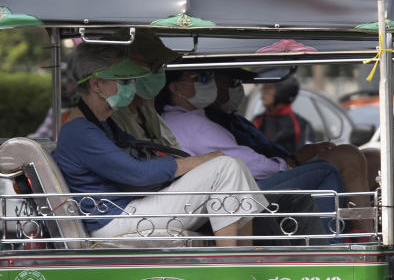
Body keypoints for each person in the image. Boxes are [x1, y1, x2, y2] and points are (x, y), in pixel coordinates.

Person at [52, 44, 266, 247]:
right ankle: (230, 261)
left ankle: (244, 254)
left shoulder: (101, 123)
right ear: (97, 85)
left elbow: (143, 155)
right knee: (225, 167)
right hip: (114, 221)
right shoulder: (79, 132)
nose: (132, 87)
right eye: (125, 82)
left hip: (127, 210)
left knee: (233, 164)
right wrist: (201, 160)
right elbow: (138, 173)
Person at [158, 69, 348, 233]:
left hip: (223, 192)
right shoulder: (193, 124)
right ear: (176, 88)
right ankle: (330, 245)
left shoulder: (186, 119)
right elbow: (250, 164)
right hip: (234, 192)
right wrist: (290, 165)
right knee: (326, 170)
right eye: (201, 79)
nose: (208, 84)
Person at [252, 76, 316, 155]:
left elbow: (305, 157)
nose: (263, 93)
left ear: (283, 91)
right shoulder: (257, 121)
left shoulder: (301, 125)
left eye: (268, 88)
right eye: (263, 88)